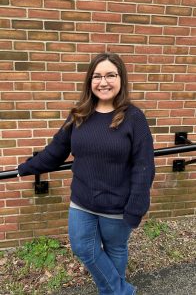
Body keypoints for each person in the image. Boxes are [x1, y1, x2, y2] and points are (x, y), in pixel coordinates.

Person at [18, 53, 155, 295]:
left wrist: (136, 206)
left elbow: (143, 166)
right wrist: (25, 167)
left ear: (121, 78)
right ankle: (121, 291)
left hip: (117, 206)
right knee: (83, 248)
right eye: (97, 76)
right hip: (82, 202)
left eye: (111, 75)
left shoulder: (134, 118)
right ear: (89, 81)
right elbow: (55, 152)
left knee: (115, 250)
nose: (104, 82)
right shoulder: (79, 115)